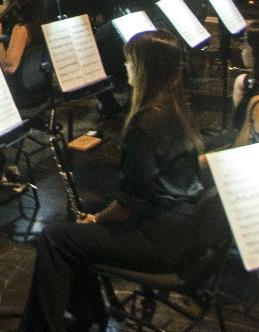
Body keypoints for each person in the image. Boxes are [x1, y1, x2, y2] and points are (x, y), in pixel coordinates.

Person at [19, 31, 205, 332]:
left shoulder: (145, 124)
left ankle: (40, 327)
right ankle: (88, 315)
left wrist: (95, 220)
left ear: (144, 69)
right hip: (184, 227)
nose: (126, 66)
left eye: (130, 61)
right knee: (77, 228)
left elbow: (130, 205)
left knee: (55, 238)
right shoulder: (177, 108)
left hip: (159, 238)